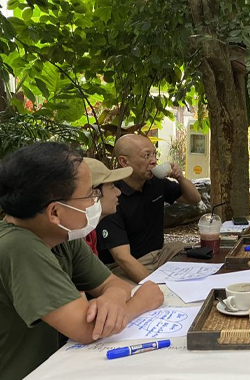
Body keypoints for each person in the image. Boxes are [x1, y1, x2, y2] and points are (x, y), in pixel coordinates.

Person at [0, 143, 164, 380]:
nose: (95, 202)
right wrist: (140, 302)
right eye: (90, 195)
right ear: (55, 212)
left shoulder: (62, 235)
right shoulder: (19, 247)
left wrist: (112, 298)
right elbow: (87, 328)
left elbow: (114, 284)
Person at [96, 134, 201, 283]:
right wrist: (154, 286)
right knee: (134, 297)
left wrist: (180, 178)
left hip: (160, 254)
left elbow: (194, 199)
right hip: (128, 266)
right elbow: (122, 258)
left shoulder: (155, 182)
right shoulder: (112, 196)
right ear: (124, 162)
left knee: (201, 257)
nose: (153, 161)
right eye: (146, 156)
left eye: (154, 154)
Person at [83, 158, 133, 256]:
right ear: (93, 194)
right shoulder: (71, 240)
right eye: (112, 186)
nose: (118, 192)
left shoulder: (90, 231)